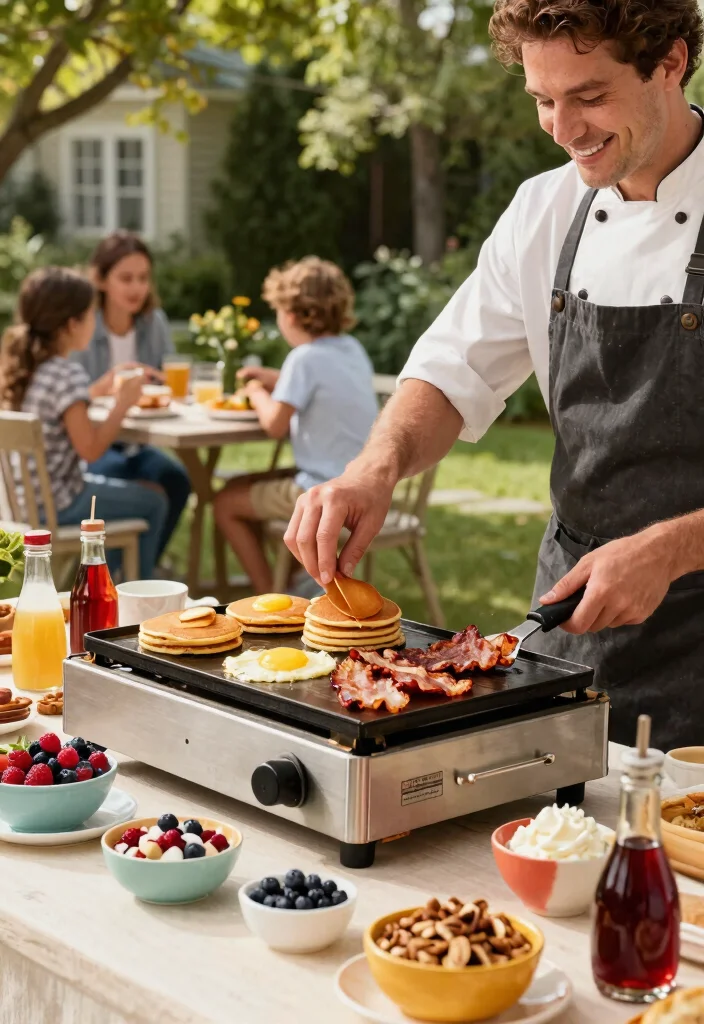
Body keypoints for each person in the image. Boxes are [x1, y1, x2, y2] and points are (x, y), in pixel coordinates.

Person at [285, 0, 704, 751]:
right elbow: (453, 370)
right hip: (573, 623)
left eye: (590, 96)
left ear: (670, 62)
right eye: (544, 100)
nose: (564, 129)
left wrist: (671, 550)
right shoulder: (542, 210)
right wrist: (374, 468)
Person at [213, 256, 378, 593]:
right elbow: (323, 383)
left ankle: (269, 595)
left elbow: (274, 425)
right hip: (356, 484)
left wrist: (257, 390)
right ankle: (286, 582)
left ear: (289, 314)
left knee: (225, 502)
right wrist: (276, 379)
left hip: (319, 489)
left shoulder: (303, 358)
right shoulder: (351, 348)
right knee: (241, 485)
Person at [0, 267, 167, 577]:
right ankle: (134, 589)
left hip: (22, 504)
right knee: (154, 501)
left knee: (145, 488)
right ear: (71, 324)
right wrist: (122, 404)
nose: (95, 322)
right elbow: (90, 450)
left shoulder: (23, 369)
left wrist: (100, 391)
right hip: (60, 505)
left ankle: (113, 576)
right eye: (91, 315)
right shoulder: (67, 373)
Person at [75, 231, 191, 566]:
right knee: (126, 480)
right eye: (125, 278)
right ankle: (112, 571)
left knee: (177, 480)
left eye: (142, 278)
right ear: (100, 279)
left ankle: (144, 564)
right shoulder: (83, 325)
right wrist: (107, 386)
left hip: (137, 442)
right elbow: (72, 397)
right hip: (95, 444)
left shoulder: (153, 323)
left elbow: (165, 379)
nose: (136, 288)